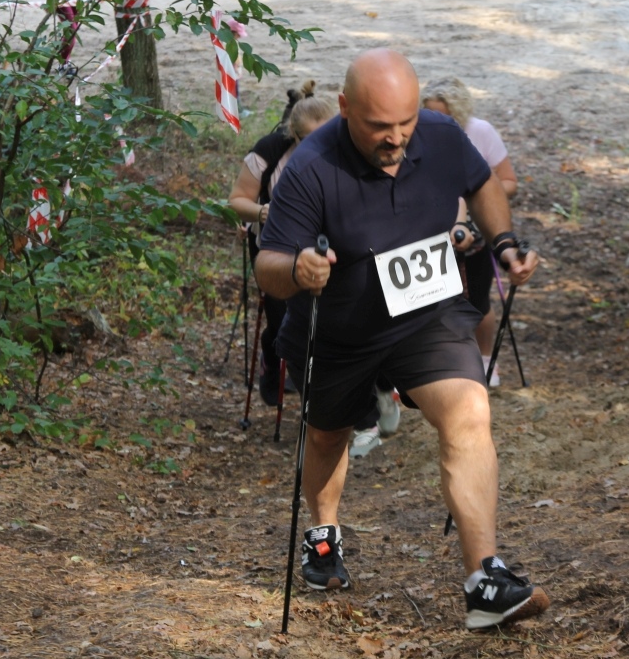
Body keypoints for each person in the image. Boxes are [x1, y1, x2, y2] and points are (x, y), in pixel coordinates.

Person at [255, 48, 549, 630]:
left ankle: (484, 579)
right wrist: (299, 272)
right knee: (327, 435)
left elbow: (484, 182)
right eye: (379, 127)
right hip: (337, 330)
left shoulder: (438, 133)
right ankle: (324, 537)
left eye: (405, 123)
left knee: (469, 411)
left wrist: (504, 242)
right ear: (344, 109)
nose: (396, 139)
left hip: (423, 311)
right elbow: (269, 262)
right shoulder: (311, 165)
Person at [229, 82, 401, 455]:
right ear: (294, 135)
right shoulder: (270, 152)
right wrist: (263, 212)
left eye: (325, 136)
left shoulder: (357, 153)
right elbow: (237, 199)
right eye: (307, 138)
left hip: (341, 260)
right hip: (281, 260)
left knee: (361, 330)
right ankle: (301, 391)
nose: (317, 146)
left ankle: (368, 408)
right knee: (289, 333)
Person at [421, 78, 518, 387]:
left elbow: (508, 182)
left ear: (459, 114)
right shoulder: (414, 134)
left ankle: (488, 360)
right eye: (429, 114)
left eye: (444, 116)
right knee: (430, 297)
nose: (435, 121)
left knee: (478, 297)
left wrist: (476, 193)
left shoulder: (481, 132)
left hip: (477, 226)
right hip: (432, 226)